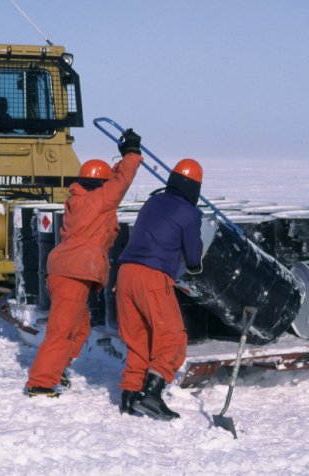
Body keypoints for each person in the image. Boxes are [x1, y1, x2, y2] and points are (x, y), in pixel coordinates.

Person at [24, 128, 143, 397]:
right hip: (75, 273)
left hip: (64, 270)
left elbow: (112, 182)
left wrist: (117, 164)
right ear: (101, 183)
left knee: (80, 327)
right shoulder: (100, 200)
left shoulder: (78, 200)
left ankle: (56, 369)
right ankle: (41, 382)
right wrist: (132, 153)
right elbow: (121, 182)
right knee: (62, 330)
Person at [115, 158, 204, 420]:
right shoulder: (190, 213)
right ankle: (152, 395)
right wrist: (195, 266)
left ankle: (130, 395)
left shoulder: (153, 202)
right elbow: (193, 255)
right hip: (152, 277)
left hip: (124, 273)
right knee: (172, 337)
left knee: (138, 337)